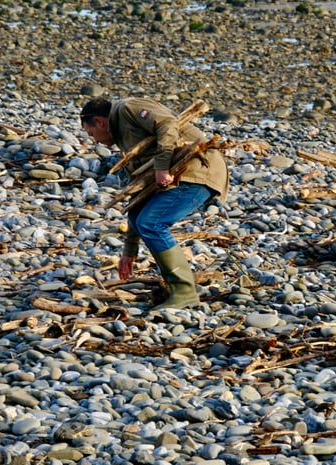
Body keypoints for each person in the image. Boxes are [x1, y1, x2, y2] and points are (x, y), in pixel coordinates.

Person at [80, 96, 229, 310]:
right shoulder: (123, 139)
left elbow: (167, 123)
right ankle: (175, 288)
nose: (94, 139)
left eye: (91, 133)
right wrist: (129, 251)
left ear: (100, 121)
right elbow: (138, 198)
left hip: (197, 169)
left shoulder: (126, 108)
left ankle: (184, 292)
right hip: (180, 176)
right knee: (142, 219)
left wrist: (161, 167)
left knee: (153, 223)